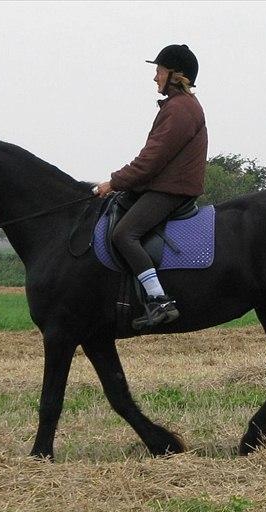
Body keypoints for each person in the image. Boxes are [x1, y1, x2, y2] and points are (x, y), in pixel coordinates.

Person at [95, 44, 208, 328]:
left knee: (124, 234)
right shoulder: (177, 106)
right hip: (163, 187)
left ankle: (160, 301)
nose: (155, 77)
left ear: (174, 74)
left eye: (158, 70)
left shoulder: (180, 109)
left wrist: (115, 181)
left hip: (170, 191)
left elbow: (151, 159)